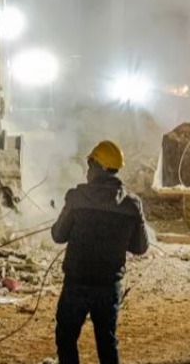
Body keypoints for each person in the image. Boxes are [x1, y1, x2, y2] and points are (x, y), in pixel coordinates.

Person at [51, 140, 149, 364]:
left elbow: (58, 236)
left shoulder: (76, 197)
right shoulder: (132, 205)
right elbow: (140, 248)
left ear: (99, 167)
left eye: (90, 164)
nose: (87, 170)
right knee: (107, 343)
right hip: (109, 286)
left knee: (66, 338)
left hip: (77, 283)